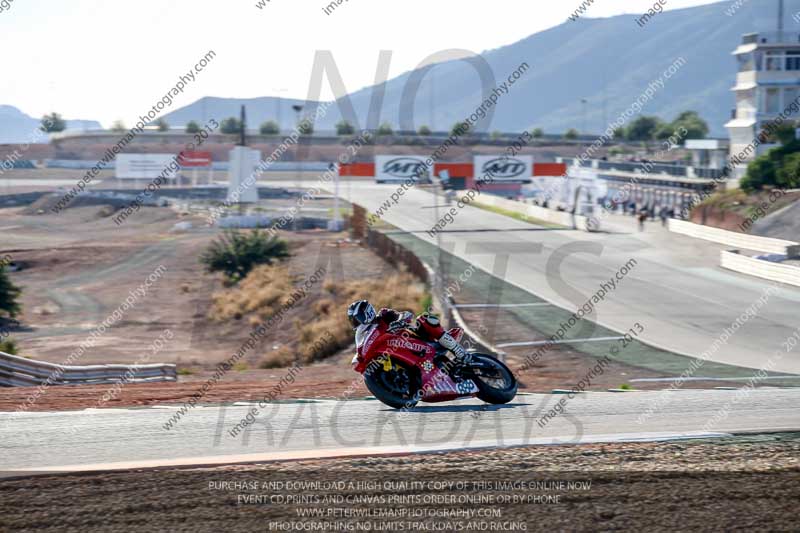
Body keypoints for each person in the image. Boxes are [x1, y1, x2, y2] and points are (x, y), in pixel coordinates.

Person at [347, 300, 467, 359]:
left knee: (424, 319)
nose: (356, 323)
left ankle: (456, 349)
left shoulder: (384, 315)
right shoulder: (366, 335)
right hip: (398, 353)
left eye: (357, 318)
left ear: (366, 313)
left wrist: (398, 321)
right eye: (354, 320)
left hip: (416, 339)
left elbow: (406, 315)